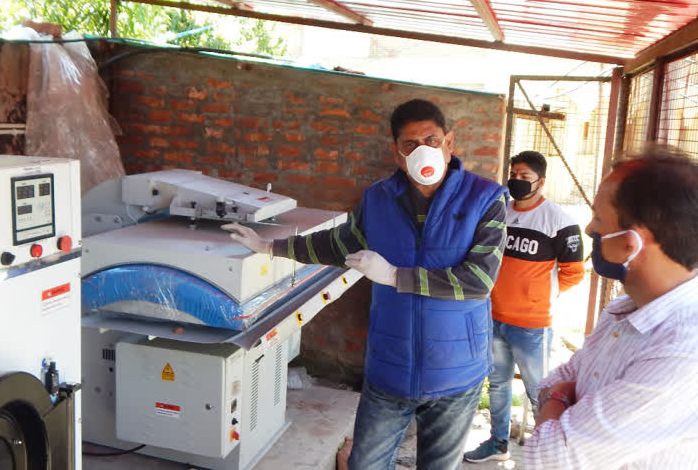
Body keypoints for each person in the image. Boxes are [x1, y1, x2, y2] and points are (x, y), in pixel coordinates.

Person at [223, 99, 508, 469]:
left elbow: (479, 280)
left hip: (456, 372)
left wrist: (393, 276)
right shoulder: (378, 200)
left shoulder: (485, 199)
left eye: (432, 140)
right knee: (365, 464)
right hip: (389, 369)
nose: (423, 150)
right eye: (410, 144)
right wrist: (270, 246)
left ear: (449, 143)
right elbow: (336, 243)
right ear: (396, 153)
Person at [523, 147, 698, 468]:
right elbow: (552, 381)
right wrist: (560, 401)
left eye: (600, 218)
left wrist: (560, 401)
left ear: (632, 242)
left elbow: (549, 459)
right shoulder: (622, 310)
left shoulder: (685, 349)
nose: (590, 228)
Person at [464, 151, 584, 463]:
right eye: (513, 175)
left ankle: (543, 454)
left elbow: (573, 273)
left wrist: (537, 297)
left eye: (524, 177)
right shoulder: (500, 212)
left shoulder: (559, 221)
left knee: (538, 391)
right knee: (499, 384)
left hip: (532, 323)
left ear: (541, 182)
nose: (516, 181)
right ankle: (498, 443)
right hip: (493, 316)